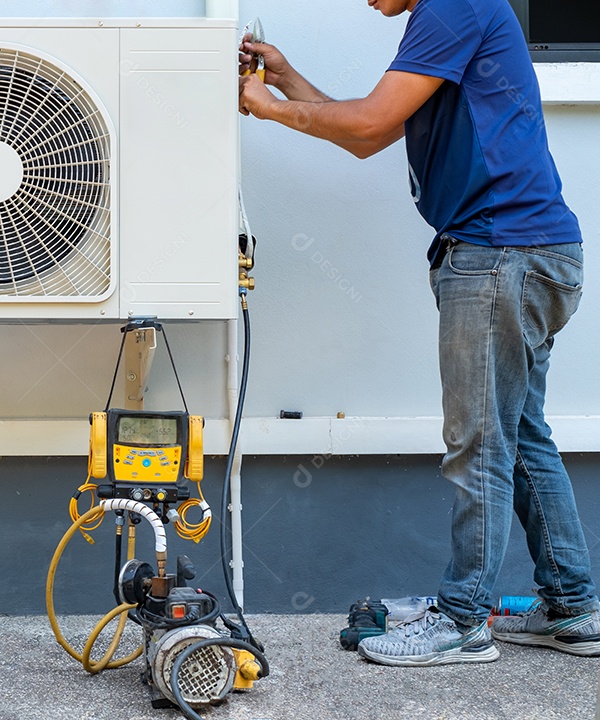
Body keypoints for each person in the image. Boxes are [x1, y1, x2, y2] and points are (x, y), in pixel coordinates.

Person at [239, 0, 600, 666]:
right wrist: (286, 80)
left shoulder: (454, 4)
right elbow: (366, 133)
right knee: (519, 436)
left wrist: (267, 107)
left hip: (500, 254)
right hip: (532, 251)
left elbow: (371, 121)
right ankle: (574, 607)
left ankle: (462, 621)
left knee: (480, 442)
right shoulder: (450, 13)